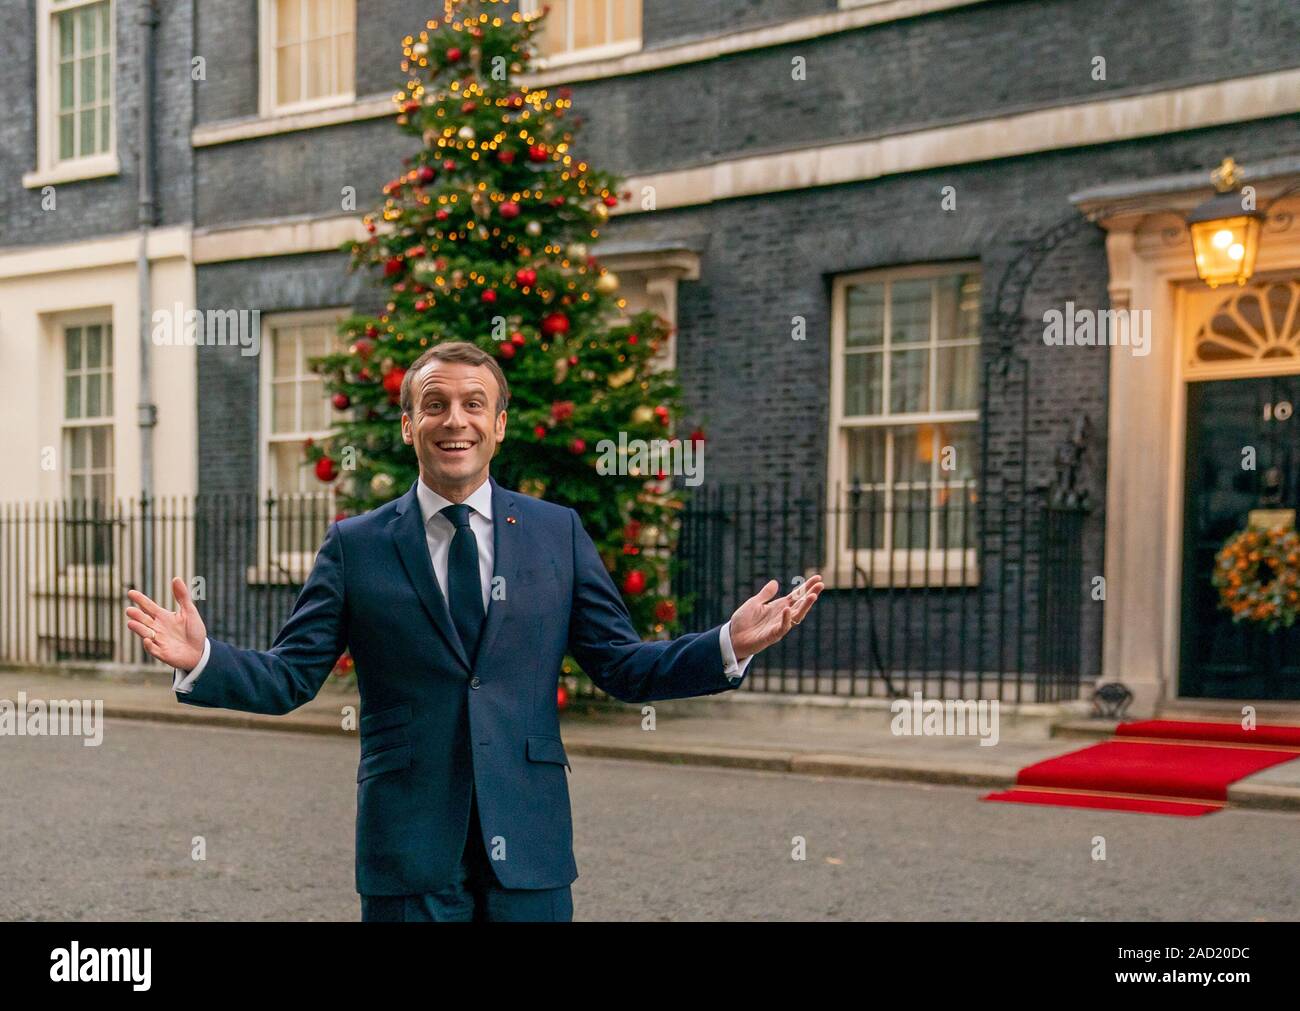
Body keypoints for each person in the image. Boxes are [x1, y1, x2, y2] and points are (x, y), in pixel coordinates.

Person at [124, 340, 823, 921]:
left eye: (472, 404)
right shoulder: (356, 545)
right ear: (408, 425)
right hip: (408, 846)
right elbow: (291, 675)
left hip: (531, 841)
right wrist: (204, 658)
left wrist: (727, 643)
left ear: (498, 424)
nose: (452, 420)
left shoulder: (557, 533)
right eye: (434, 404)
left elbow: (621, 664)